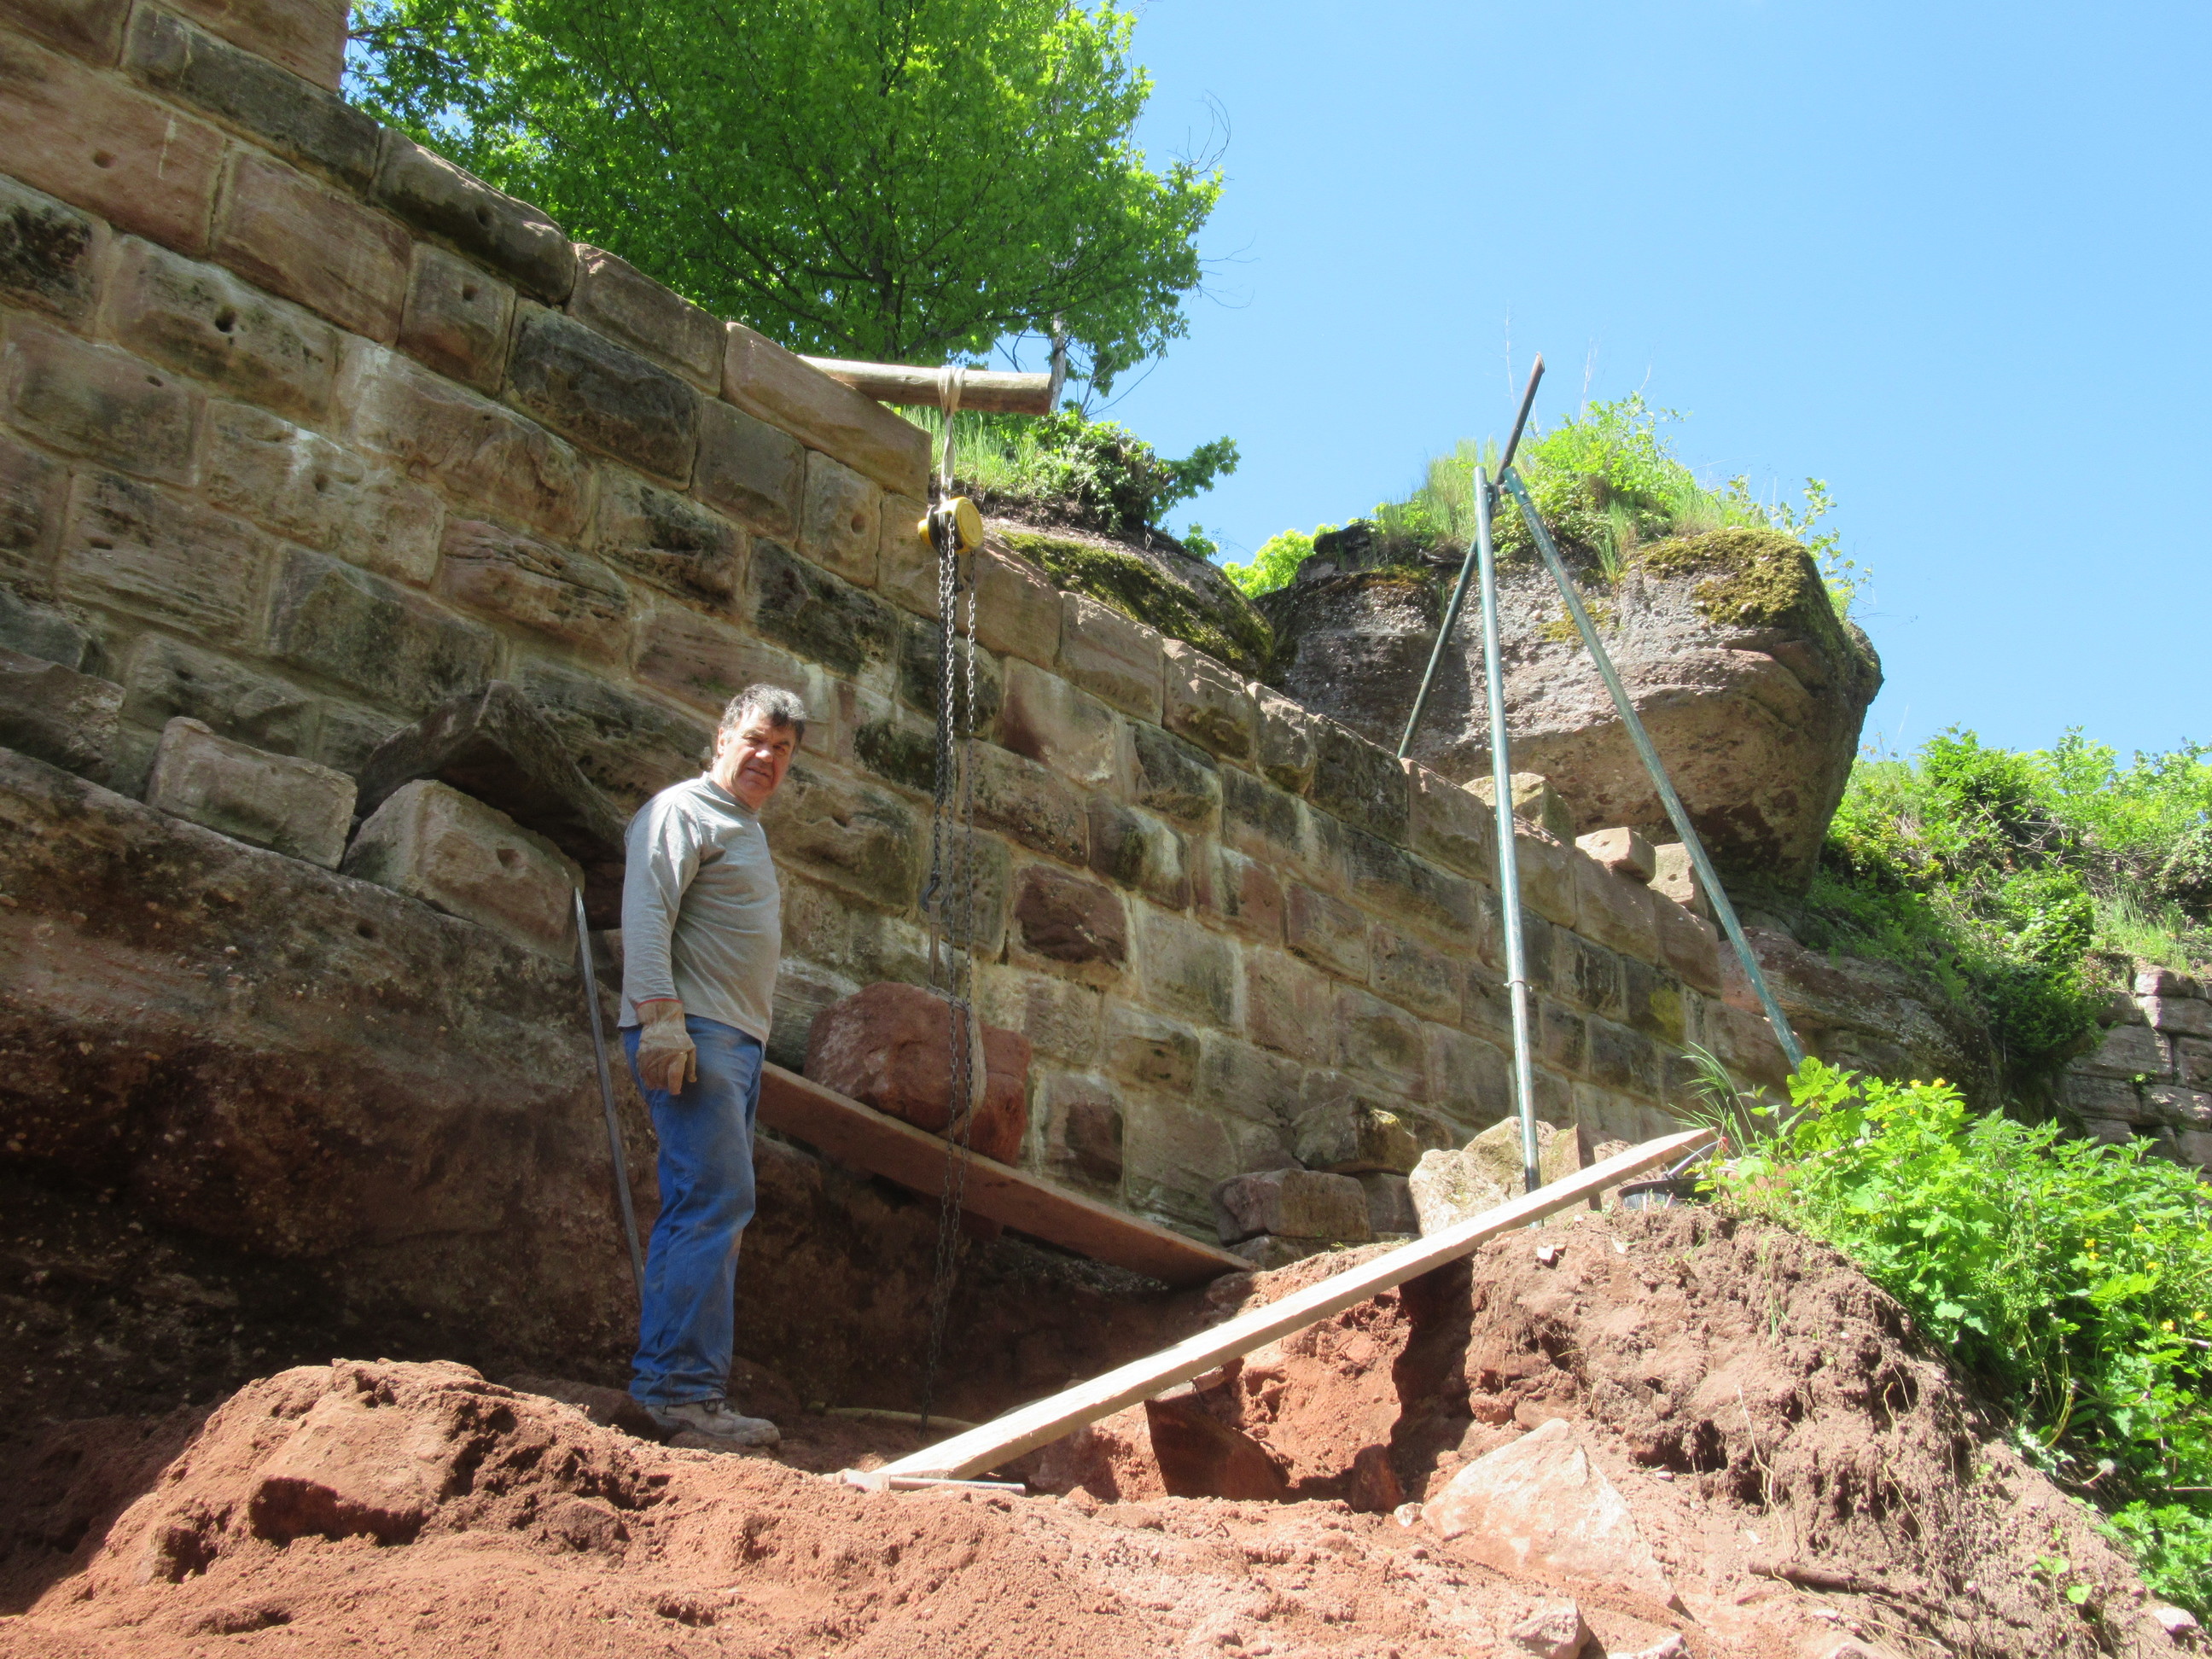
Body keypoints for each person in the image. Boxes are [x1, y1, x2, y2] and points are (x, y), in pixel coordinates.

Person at [618, 683, 805, 1443]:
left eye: (783, 749)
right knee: (713, 1202)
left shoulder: (741, 827)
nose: (767, 757)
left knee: (706, 1204)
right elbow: (647, 910)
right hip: (694, 1034)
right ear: (723, 736)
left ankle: (671, 1390)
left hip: (732, 1041)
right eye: (756, 739)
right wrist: (661, 1020)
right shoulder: (683, 810)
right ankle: (681, 1394)